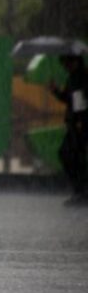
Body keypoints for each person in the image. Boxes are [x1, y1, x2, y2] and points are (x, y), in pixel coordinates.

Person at [49, 54, 88, 207]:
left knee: (72, 155)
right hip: (75, 124)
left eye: (66, 62)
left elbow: (80, 103)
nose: (64, 66)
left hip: (80, 125)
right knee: (72, 156)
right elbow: (69, 99)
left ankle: (82, 190)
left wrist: (79, 121)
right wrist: (56, 91)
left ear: (75, 61)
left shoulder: (81, 77)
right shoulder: (72, 77)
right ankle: (80, 190)